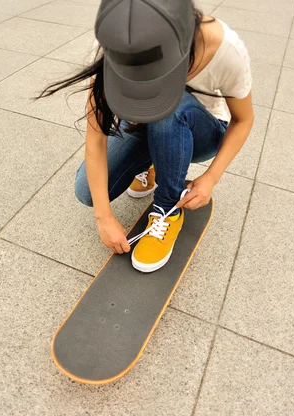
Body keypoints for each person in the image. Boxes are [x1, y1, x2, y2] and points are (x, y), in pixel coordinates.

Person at [39, 0, 254, 273]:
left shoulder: (226, 50)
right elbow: (95, 139)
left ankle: (167, 210)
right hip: (145, 121)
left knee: (169, 111)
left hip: (204, 130)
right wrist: (103, 217)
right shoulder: (123, 39)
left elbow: (243, 120)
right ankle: (155, 161)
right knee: (87, 192)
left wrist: (211, 177)